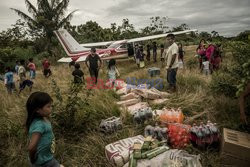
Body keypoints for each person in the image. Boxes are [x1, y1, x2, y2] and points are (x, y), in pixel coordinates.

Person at [26, 92, 61, 167]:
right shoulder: (39, 125)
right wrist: (33, 160)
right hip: (42, 162)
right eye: (48, 106)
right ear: (38, 110)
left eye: (51, 106)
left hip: (47, 157)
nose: (51, 108)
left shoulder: (43, 118)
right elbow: (31, 147)